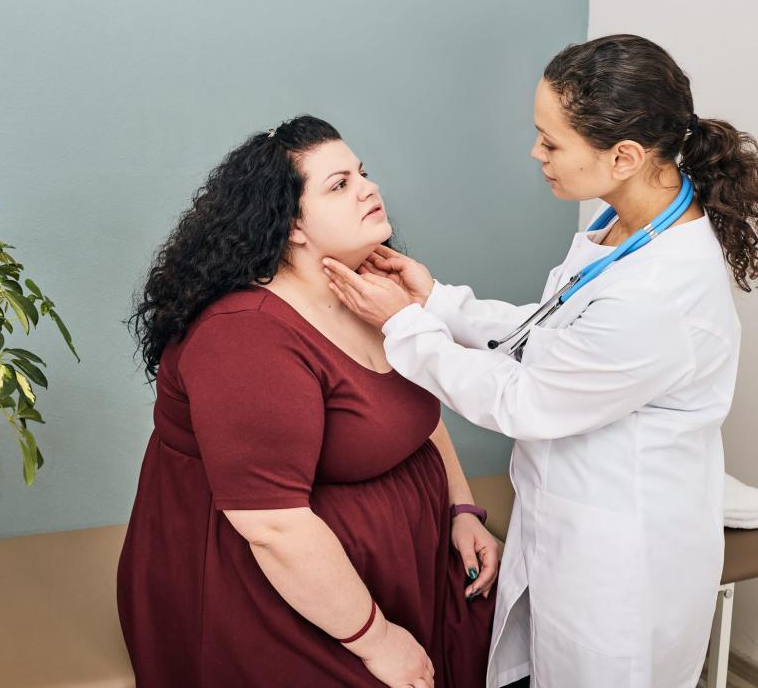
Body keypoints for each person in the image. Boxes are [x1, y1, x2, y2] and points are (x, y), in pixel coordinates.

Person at [322, 34, 757, 688]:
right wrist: (439, 301)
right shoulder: (622, 223)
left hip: (623, 562)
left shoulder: (662, 291)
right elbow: (557, 333)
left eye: (551, 143)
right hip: (565, 515)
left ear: (625, 155)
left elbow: (526, 400)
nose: (536, 153)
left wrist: (405, 327)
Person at [119, 116, 499, 687]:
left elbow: (416, 412)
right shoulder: (244, 337)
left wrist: (460, 509)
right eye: (339, 184)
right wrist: (377, 641)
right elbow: (273, 526)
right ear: (292, 223)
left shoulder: (371, 288)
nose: (369, 188)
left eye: (363, 173)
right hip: (282, 588)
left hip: (410, 565)